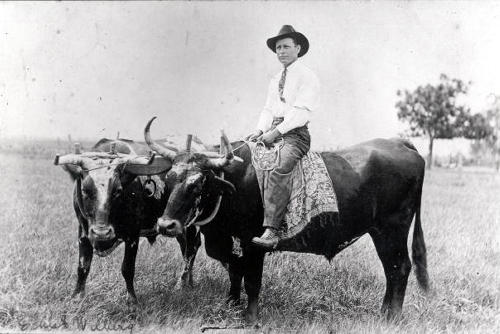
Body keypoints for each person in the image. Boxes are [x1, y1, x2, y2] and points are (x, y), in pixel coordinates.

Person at [247, 25, 320, 249]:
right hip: (272, 131)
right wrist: (259, 131)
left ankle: (272, 230)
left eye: (286, 46)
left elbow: (301, 112)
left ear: (298, 48)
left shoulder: (307, 76)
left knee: (279, 167)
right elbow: (268, 109)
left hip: (295, 134)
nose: (281, 51)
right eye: (278, 47)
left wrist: (276, 133)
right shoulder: (276, 78)